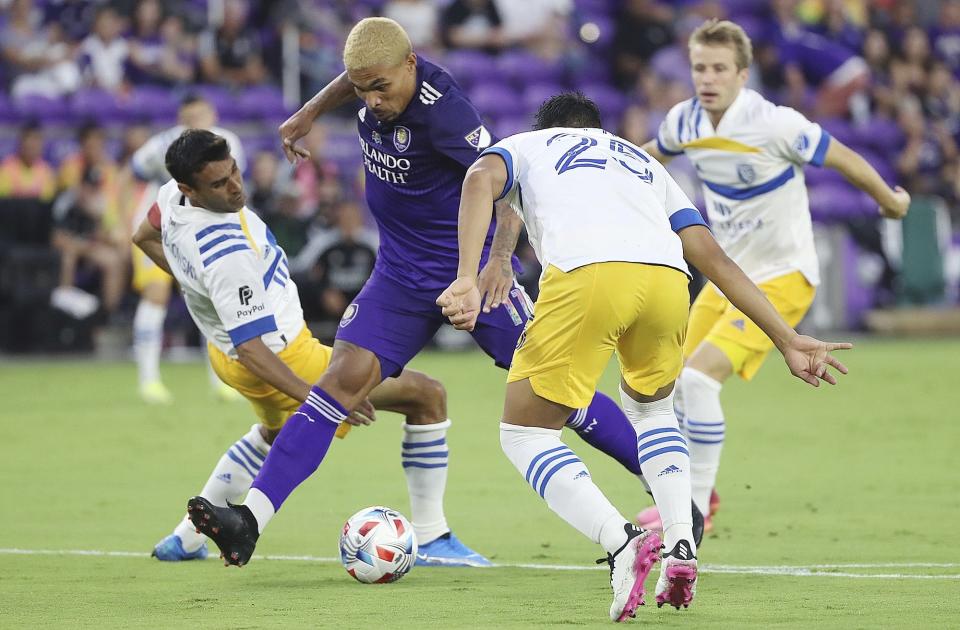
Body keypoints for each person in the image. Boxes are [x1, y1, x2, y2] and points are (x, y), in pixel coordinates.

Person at [185, 17, 648, 570]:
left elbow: (511, 183)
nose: (371, 100)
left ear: (411, 65)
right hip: (399, 274)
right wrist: (309, 113)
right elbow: (353, 77)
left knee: (553, 393)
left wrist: (497, 262)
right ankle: (250, 521)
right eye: (362, 89)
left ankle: (666, 485)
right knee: (338, 383)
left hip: (468, 275)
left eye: (381, 87)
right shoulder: (370, 78)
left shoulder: (444, 110)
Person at [436, 92, 852, 621]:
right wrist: (787, 337)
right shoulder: (638, 160)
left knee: (526, 434)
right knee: (653, 410)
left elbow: (479, 180)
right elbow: (708, 252)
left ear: (548, 127)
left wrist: (467, 277)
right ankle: (681, 544)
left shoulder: (528, 144)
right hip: (668, 280)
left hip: (589, 276)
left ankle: (622, 541)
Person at [133, 129, 479, 566]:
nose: (235, 186)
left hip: (225, 355)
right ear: (190, 189)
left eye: (234, 172)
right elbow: (255, 349)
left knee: (274, 434)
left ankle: (185, 539)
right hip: (279, 355)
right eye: (219, 184)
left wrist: (196, 285)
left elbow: (143, 237)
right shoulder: (226, 253)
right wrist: (319, 400)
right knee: (426, 396)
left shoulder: (169, 197)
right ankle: (433, 537)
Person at [635, 19, 910, 534]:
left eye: (719, 68)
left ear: (743, 74)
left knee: (697, 381)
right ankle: (701, 494)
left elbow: (845, 158)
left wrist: (891, 202)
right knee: (665, 387)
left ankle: (690, 512)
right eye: (699, 68)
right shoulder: (684, 120)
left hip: (783, 277)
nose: (707, 78)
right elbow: (650, 155)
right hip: (727, 279)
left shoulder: (775, 123)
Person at [128, 94, 247, 405]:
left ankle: (222, 380)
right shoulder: (162, 146)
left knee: (212, 298)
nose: (195, 122)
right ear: (181, 119)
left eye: (201, 115)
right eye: (189, 117)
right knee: (156, 294)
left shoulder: (228, 143)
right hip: (159, 229)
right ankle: (149, 380)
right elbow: (133, 172)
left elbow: (234, 188)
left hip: (203, 231)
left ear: (212, 114)